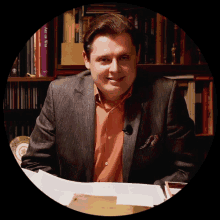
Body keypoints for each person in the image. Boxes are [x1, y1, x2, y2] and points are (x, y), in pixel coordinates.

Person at [21, 13, 198, 185]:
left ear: (137, 56)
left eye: (124, 58)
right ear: (87, 60)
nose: (115, 69)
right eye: (104, 60)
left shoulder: (165, 94)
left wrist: (146, 198)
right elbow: (34, 164)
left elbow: (187, 168)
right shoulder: (59, 94)